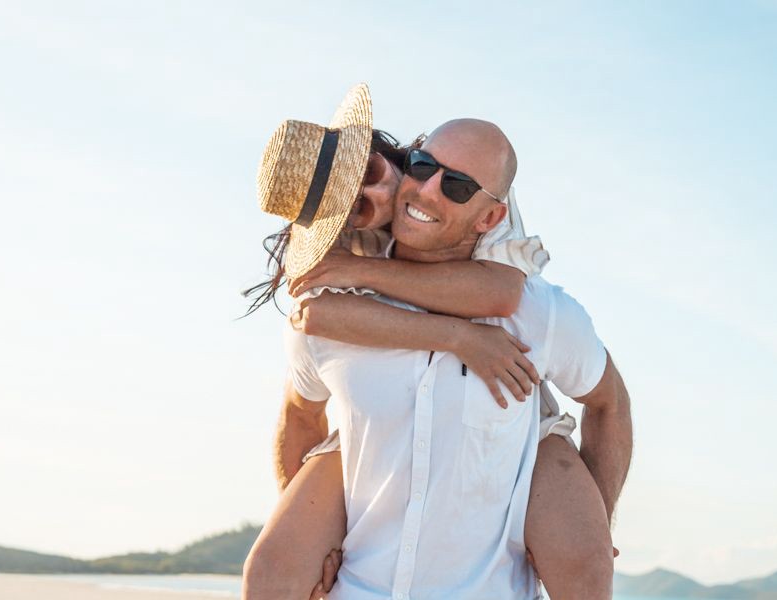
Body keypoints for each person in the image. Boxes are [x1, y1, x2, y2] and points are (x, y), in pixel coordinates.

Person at [243, 85, 632, 599]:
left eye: (455, 185)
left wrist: (591, 527)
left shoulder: (533, 306)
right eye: (356, 206)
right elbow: (299, 409)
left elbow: (504, 298)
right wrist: (312, 541)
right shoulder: (331, 311)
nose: (413, 193)